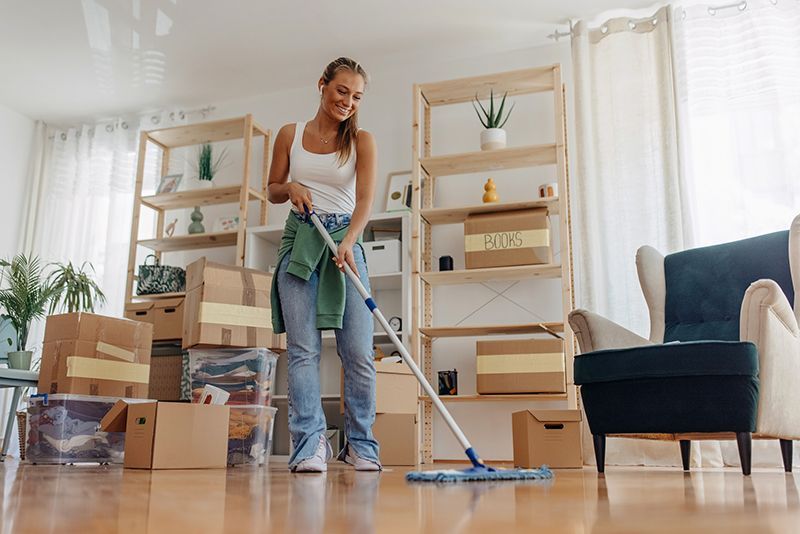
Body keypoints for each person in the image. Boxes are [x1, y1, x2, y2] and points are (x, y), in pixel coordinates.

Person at [267, 57, 380, 472]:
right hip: (300, 242)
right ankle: (310, 444)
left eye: (356, 96)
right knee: (302, 351)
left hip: (345, 245)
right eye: (341, 91)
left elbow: (365, 202)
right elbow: (273, 190)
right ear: (322, 85)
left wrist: (349, 241)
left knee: (358, 352)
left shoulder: (362, 140)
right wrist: (291, 186)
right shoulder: (289, 134)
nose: (348, 101)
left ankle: (362, 445)